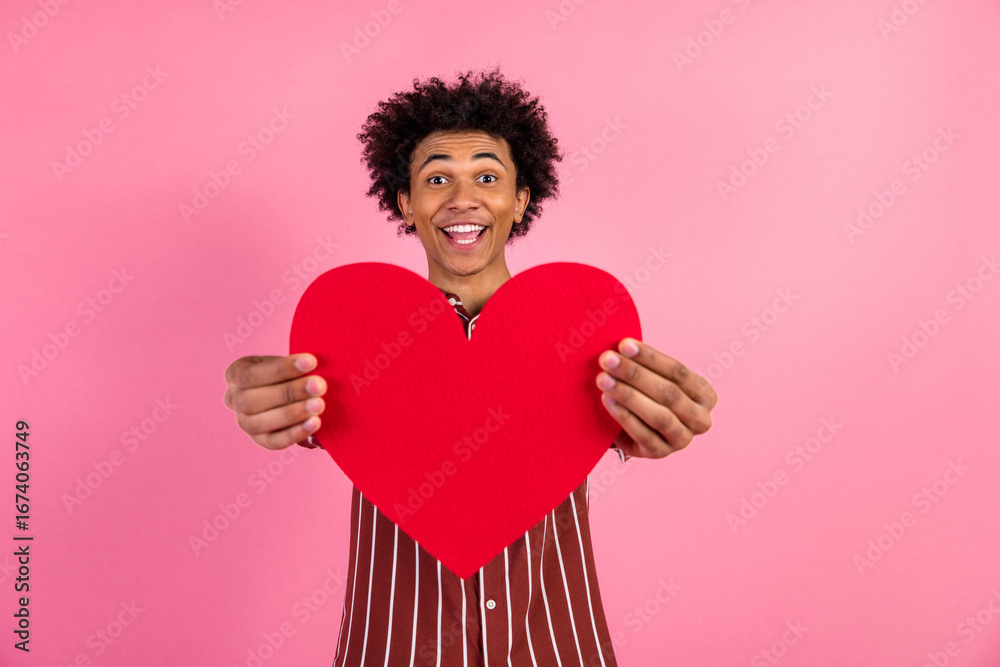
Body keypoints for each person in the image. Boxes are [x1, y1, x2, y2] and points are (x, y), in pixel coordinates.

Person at [223, 68, 718, 666]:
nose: (463, 198)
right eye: (437, 179)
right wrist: (270, 403)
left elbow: (628, 416)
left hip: (558, 646)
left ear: (521, 199)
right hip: (395, 649)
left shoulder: (584, 336)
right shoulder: (356, 342)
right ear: (406, 203)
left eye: (487, 176)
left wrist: (656, 420)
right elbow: (304, 403)